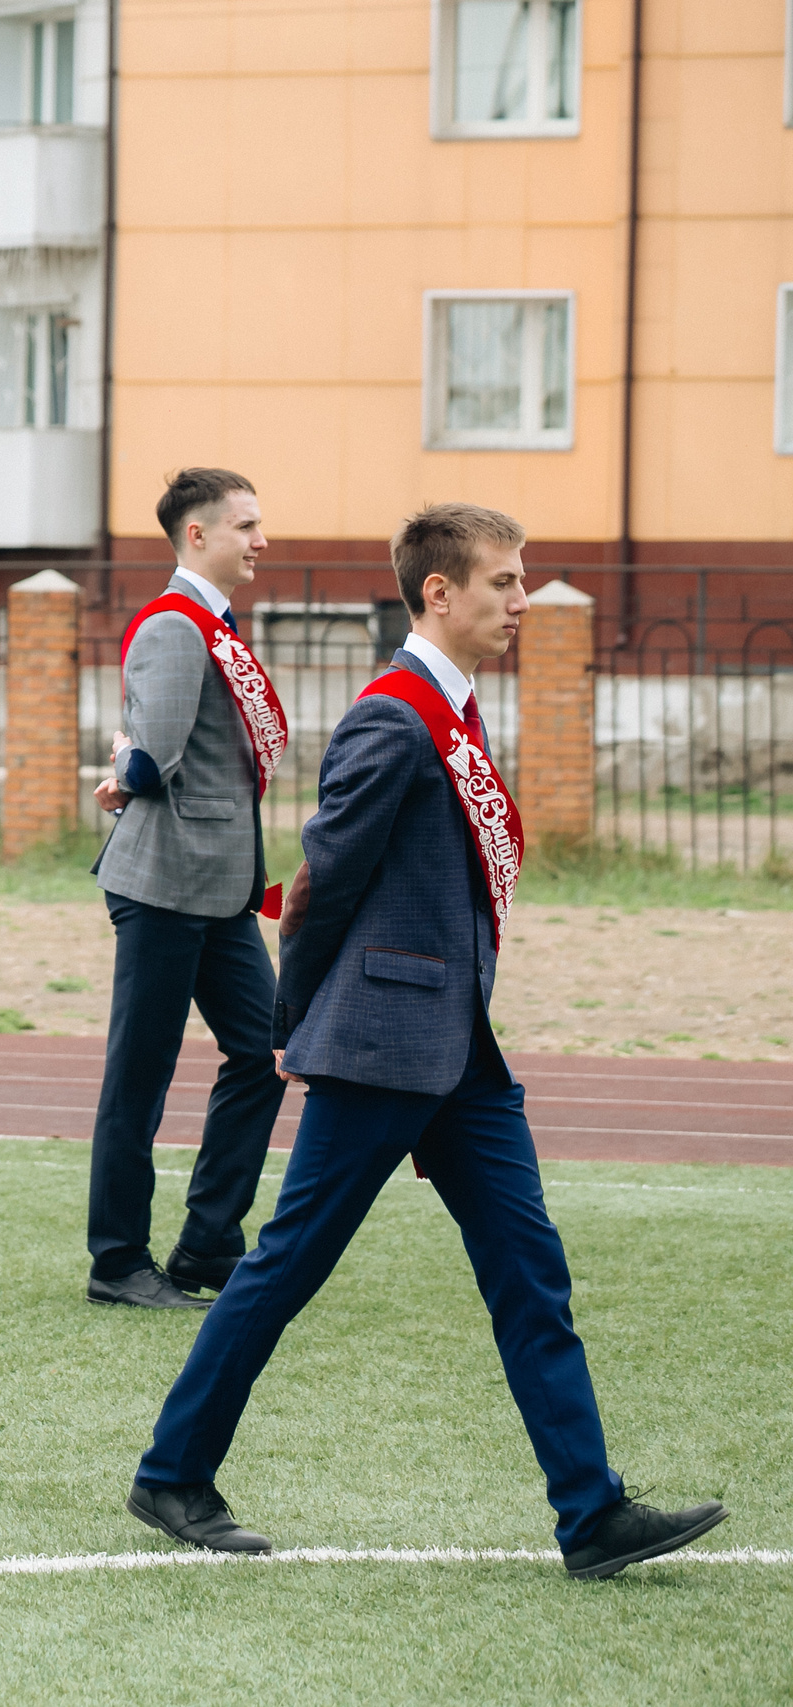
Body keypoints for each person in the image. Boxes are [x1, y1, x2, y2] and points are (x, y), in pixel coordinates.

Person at [127, 503, 728, 1580]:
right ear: (438, 593)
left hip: (459, 1054)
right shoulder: (393, 717)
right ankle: (172, 1471)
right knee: (283, 1269)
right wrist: (291, 1030)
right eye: (501, 581)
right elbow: (319, 891)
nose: (520, 600)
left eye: (521, 579)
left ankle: (589, 1516)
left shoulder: (452, 713)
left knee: (529, 1274)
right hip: (378, 1047)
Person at [83, 468, 287, 1309]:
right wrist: (124, 771)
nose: (261, 540)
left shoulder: (216, 626)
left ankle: (208, 1244)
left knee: (266, 1053)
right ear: (197, 535)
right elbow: (155, 756)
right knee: (142, 1075)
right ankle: (119, 1261)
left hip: (215, 886)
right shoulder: (178, 626)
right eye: (246, 525)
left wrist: (128, 766)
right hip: (165, 883)